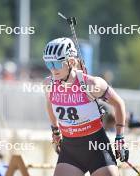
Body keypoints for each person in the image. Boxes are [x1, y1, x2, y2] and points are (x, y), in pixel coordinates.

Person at [43, 37, 128, 176]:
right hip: (70, 150)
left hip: (97, 148)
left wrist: (120, 138)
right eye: (48, 63)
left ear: (70, 61)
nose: (52, 69)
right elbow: (50, 104)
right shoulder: (49, 84)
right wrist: (55, 131)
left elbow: (119, 104)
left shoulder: (91, 84)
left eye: (57, 64)